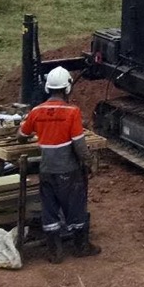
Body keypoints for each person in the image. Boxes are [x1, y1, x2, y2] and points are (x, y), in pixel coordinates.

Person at [19, 67, 100, 262]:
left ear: (48, 88)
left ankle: (54, 252)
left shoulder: (36, 111)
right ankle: (81, 246)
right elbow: (80, 146)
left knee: (49, 208)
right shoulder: (72, 112)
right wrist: (89, 163)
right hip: (69, 171)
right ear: (67, 88)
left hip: (47, 170)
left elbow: (21, 135)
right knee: (76, 206)